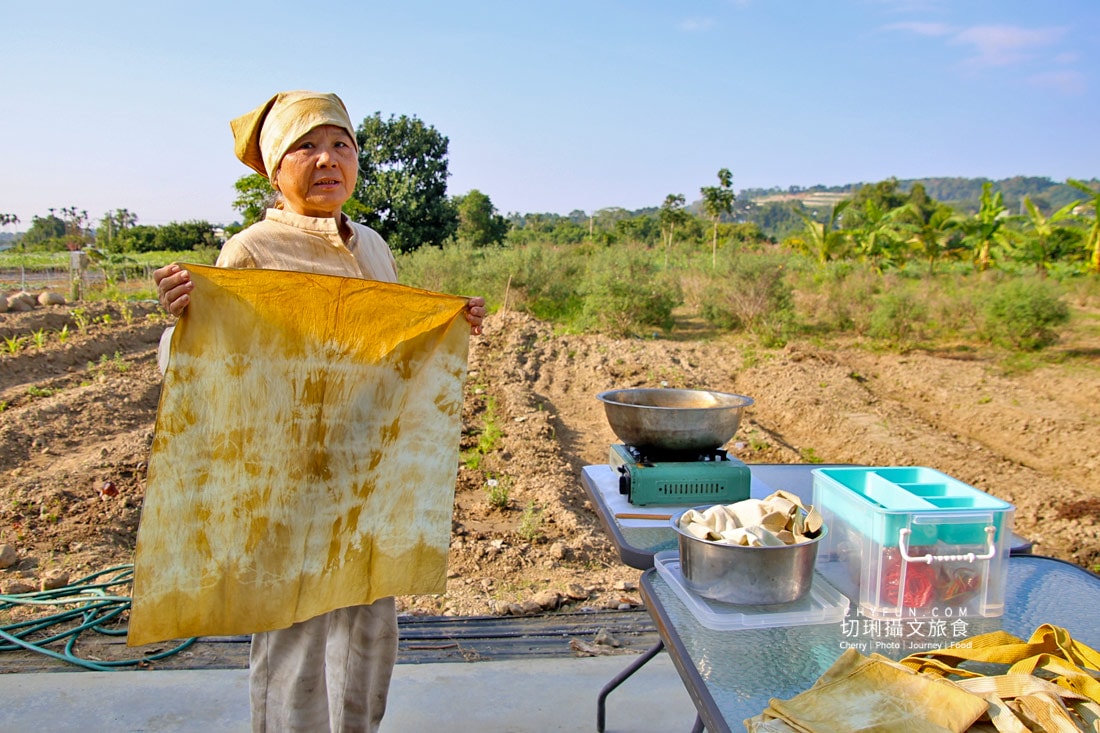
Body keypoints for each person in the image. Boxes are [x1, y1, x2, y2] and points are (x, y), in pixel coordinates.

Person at [153, 90, 486, 733]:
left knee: (368, 633)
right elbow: (207, 366)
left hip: (367, 473)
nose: (326, 159)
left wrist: (448, 323)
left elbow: (388, 349)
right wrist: (187, 321)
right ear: (275, 170)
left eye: (341, 145)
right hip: (288, 483)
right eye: (305, 147)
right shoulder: (252, 251)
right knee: (295, 642)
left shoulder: (373, 247)